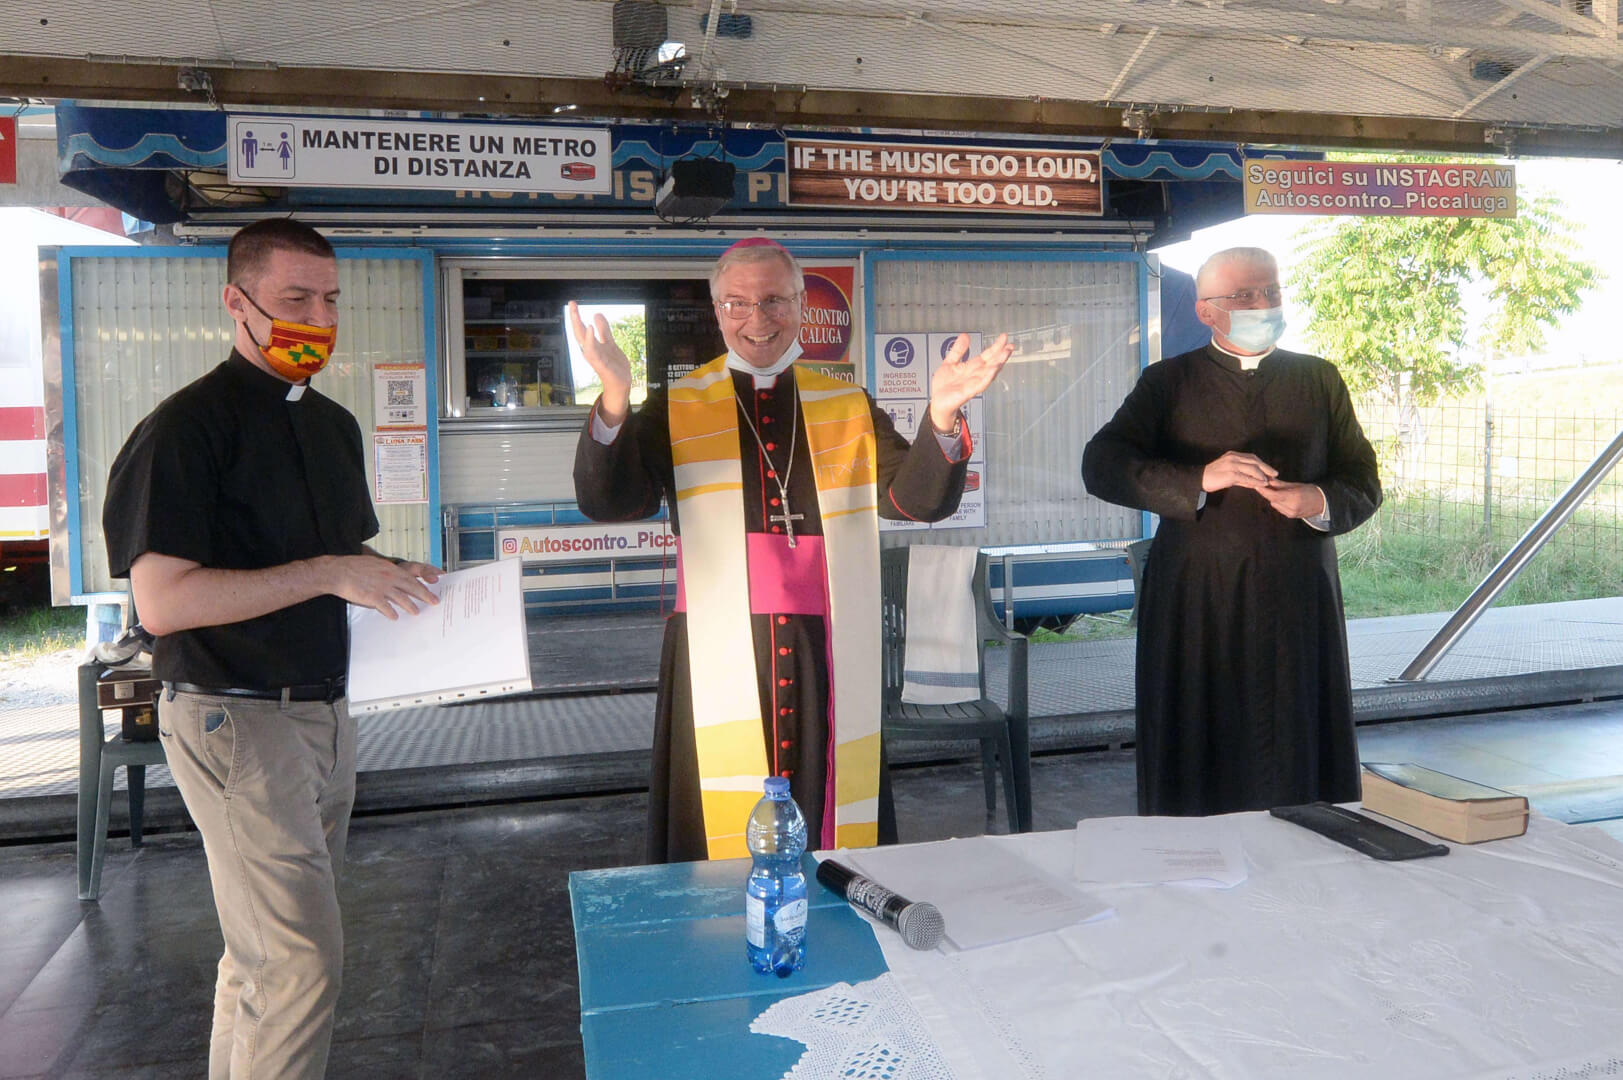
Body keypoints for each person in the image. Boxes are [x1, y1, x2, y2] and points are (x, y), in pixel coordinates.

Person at [102, 218, 440, 1079]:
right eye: (295, 299)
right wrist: (330, 571)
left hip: (323, 717)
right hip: (237, 719)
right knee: (298, 963)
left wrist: (387, 574)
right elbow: (163, 602)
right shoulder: (184, 430)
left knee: (262, 960)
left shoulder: (332, 426)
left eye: (330, 300)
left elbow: (336, 561)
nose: (318, 321)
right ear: (236, 302)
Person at [573, 237, 1012, 862]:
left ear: (803, 305)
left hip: (822, 646)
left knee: (829, 798)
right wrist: (616, 397)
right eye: (737, 303)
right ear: (717, 309)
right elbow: (611, 501)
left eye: (775, 300)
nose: (757, 319)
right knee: (711, 816)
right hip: (714, 646)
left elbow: (913, 501)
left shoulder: (846, 404)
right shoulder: (678, 405)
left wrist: (940, 417)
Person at [1082, 246, 1381, 817]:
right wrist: (1199, 477)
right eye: (1245, 295)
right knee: (1200, 742)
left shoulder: (1319, 379)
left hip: (1298, 595)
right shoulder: (1167, 382)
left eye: (1271, 291)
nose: (1263, 303)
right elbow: (1101, 465)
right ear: (1206, 311)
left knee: (1299, 748)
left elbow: (1363, 479)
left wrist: (1318, 498)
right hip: (1199, 597)